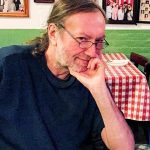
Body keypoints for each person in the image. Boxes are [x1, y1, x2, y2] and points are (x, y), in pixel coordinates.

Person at [0, 0, 134, 149]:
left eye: (99, 41)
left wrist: (100, 90)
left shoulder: (91, 81)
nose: (92, 52)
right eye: (82, 39)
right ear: (53, 33)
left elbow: (124, 147)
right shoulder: (8, 65)